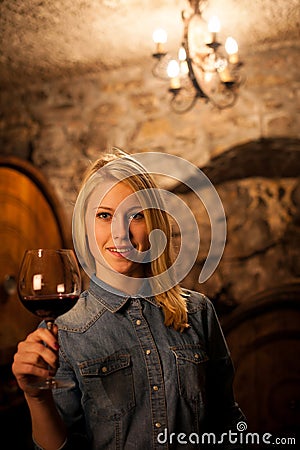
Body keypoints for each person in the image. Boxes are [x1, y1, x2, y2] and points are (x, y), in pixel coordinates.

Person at [12, 148, 245, 450]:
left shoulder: (199, 312)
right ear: (85, 225)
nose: (120, 233)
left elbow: (227, 421)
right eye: (104, 215)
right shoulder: (62, 333)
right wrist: (36, 397)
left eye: (135, 216)